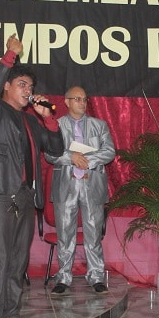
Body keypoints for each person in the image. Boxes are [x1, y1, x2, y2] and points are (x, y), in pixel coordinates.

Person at [0, 34, 64, 318]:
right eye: (22, 84)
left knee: (17, 262)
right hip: (1, 193)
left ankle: (11, 316)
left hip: (25, 196)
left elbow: (56, 149)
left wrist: (48, 119)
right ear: (7, 86)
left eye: (31, 86)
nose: (28, 90)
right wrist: (9, 56)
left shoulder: (31, 121)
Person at [45, 86, 115, 295]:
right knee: (65, 234)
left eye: (84, 99)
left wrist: (87, 160)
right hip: (66, 186)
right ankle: (63, 277)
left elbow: (109, 151)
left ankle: (96, 276)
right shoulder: (56, 125)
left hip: (92, 185)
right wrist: (70, 157)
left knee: (93, 234)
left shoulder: (99, 125)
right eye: (77, 99)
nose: (82, 103)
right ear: (66, 102)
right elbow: (49, 154)